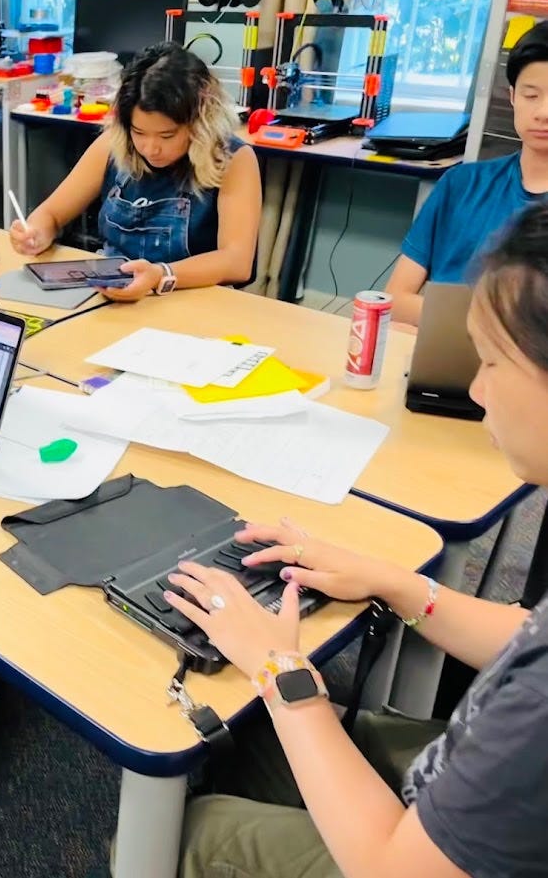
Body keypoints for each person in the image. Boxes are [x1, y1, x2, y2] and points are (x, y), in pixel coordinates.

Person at [169, 200, 548, 877]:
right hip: (469, 789)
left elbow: (393, 869)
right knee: (251, 743)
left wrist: (278, 668)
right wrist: (395, 580)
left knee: (186, 831)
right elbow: (529, 631)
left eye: (491, 362)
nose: (475, 388)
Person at [9, 42, 261, 301]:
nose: (151, 148)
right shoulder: (112, 145)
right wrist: (36, 233)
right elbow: (51, 213)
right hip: (110, 298)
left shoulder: (233, 160)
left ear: (199, 121)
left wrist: (160, 275)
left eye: (167, 135)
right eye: (138, 132)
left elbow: (236, 262)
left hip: (190, 302)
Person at [385, 20, 548, 327]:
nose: (543, 112)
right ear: (513, 97)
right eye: (531, 95)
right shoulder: (461, 185)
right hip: (437, 357)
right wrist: (489, 325)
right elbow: (396, 299)